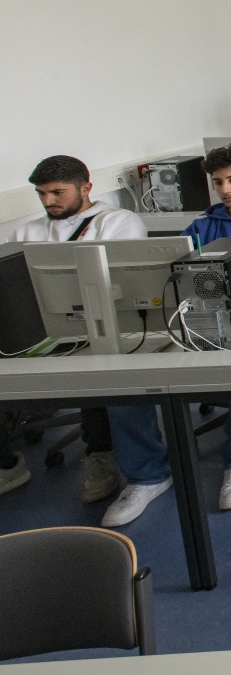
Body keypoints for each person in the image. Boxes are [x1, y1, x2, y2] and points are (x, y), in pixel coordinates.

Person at [102, 145, 231, 528]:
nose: (225, 189)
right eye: (218, 182)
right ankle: (147, 475)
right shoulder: (200, 227)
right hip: (193, 323)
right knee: (123, 383)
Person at [0, 155, 147, 502]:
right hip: (36, 333)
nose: (48, 201)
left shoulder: (117, 223)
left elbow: (126, 284)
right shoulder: (24, 232)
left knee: (97, 363)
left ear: (86, 187)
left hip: (99, 328)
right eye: (41, 194)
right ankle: (7, 463)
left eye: (57, 192)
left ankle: (100, 453)